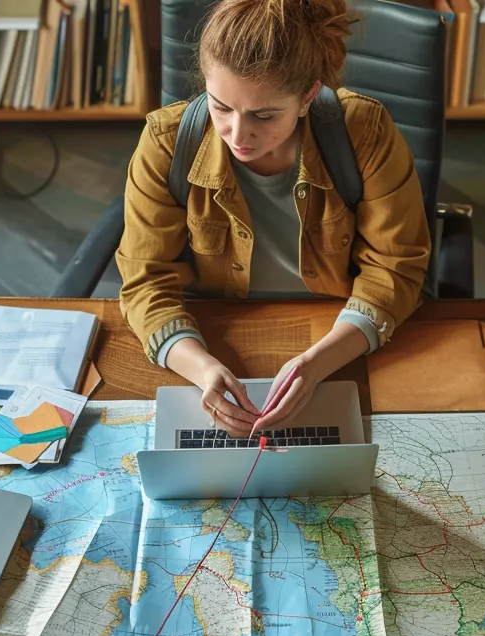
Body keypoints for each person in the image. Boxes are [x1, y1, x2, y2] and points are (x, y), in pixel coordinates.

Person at [116, 0, 431, 437]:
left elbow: (395, 268)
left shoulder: (365, 131)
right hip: (214, 334)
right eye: (220, 106)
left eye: (264, 116)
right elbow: (145, 280)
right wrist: (201, 368)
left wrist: (317, 364)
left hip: (339, 334)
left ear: (307, 98)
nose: (238, 134)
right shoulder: (165, 142)